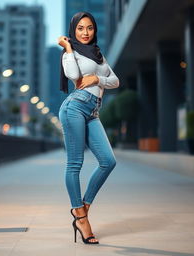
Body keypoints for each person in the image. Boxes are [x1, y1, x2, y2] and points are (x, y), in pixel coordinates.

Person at [57, 11, 120, 244]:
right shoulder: (68, 54)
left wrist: (97, 79)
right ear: (73, 30)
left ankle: (83, 206)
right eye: (80, 28)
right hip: (75, 107)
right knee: (75, 163)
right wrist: (69, 48)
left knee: (108, 161)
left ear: (94, 30)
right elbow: (73, 75)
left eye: (89, 28)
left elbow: (115, 81)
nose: (85, 32)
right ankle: (80, 216)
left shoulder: (98, 55)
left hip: (93, 111)